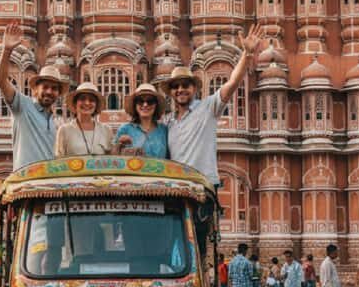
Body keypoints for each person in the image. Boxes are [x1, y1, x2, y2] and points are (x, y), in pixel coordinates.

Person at [162, 23, 266, 185]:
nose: (180, 89)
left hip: (203, 184)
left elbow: (232, 83)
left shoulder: (207, 108)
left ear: (194, 88)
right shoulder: (168, 122)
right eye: (175, 86)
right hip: (177, 186)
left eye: (185, 85)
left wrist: (247, 54)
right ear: (170, 92)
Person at [0, 21, 69, 169]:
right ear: (35, 89)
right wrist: (7, 50)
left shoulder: (56, 123)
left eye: (54, 88)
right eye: (45, 87)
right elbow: (1, 81)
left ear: (58, 94)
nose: (49, 91)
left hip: (48, 181)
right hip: (26, 180)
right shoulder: (23, 106)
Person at [55, 81, 112, 156]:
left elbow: (111, 158)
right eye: (82, 99)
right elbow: (59, 159)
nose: (87, 103)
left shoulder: (106, 130)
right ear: (75, 103)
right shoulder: (64, 130)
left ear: (96, 105)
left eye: (91, 100)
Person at [114, 83, 169, 157]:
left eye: (150, 101)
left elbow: (169, 158)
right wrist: (119, 144)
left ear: (156, 105)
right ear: (135, 105)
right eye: (140, 101)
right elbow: (114, 158)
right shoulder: (125, 129)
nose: (145, 105)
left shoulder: (164, 130)